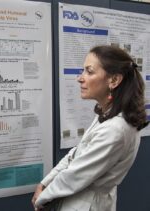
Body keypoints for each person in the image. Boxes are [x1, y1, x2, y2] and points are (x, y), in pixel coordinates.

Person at [32, 45, 148, 211]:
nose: (80, 78)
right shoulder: (107, 115)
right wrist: (45, 183)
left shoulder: (115, 129)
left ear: (114, 80)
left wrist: (42, 198)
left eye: (89, 71)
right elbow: (76, 153)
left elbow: (76, 174)